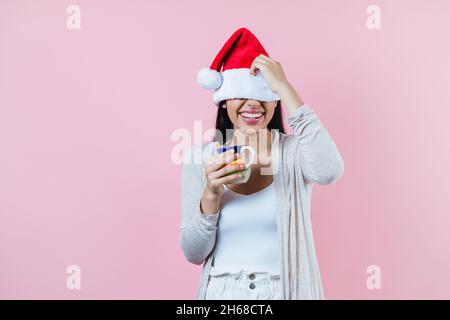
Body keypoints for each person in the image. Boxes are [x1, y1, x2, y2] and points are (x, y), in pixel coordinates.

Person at [180, 27, 344, 300]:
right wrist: (210, 195)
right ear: (223, 103)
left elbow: (330, 172)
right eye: (241, 94)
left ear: (274, 100)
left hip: (285, 291)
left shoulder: (294, 153)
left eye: (263, 95)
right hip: (222, 294)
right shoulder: (201, 159)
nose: (252, 104)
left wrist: (284, 86)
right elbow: (193, 253)